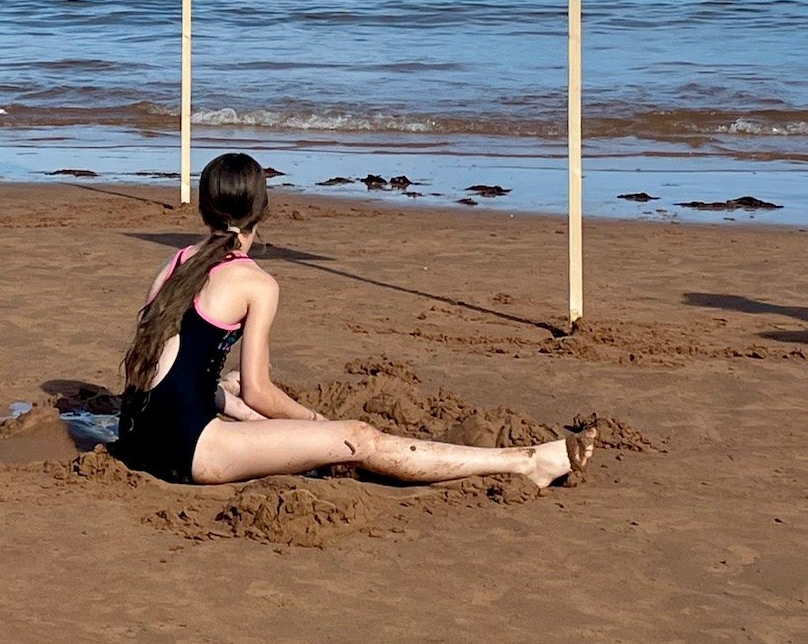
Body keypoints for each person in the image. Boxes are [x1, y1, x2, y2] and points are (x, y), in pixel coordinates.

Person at [116, 152, 595, 487]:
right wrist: (319, 421)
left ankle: (273, 425)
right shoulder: (255, 283)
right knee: (356, 438)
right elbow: (263, 393)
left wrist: (234, 402)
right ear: (263, 209)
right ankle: (524, 463)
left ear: (204, 208)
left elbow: (158, 365)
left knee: (233, 385)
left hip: (139, 435)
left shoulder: (176, 262)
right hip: (186, 453)